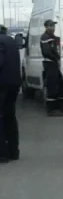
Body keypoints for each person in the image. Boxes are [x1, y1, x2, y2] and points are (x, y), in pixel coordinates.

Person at [0, 25, 21, 163]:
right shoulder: (11, 42)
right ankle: (14, 151)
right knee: (10, 116)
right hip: (14, 84)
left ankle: (2, 153)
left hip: (1, 85)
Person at [40, 19, 63, 117]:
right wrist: (55, 58)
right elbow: (47, 52)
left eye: (53, 25)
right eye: (51, 26)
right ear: (46, 27)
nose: (53, 27)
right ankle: (52, 109)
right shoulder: (45, 37)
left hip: (54, 63)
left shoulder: (52, 37)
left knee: (61, 85)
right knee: (52, 86)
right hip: (50, 63)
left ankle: (62, 106)